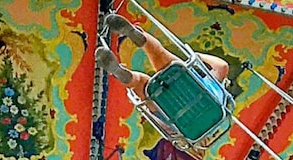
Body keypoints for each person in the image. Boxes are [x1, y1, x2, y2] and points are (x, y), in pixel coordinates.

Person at [98, 9, 232, 105]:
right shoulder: (200, 127)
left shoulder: (217, 91)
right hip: (169, 103)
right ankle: (125, 75)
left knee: (159, 54)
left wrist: (197, 56)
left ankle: (138, 35)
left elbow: (223, 66)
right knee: (142, 84)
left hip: (185, 82)